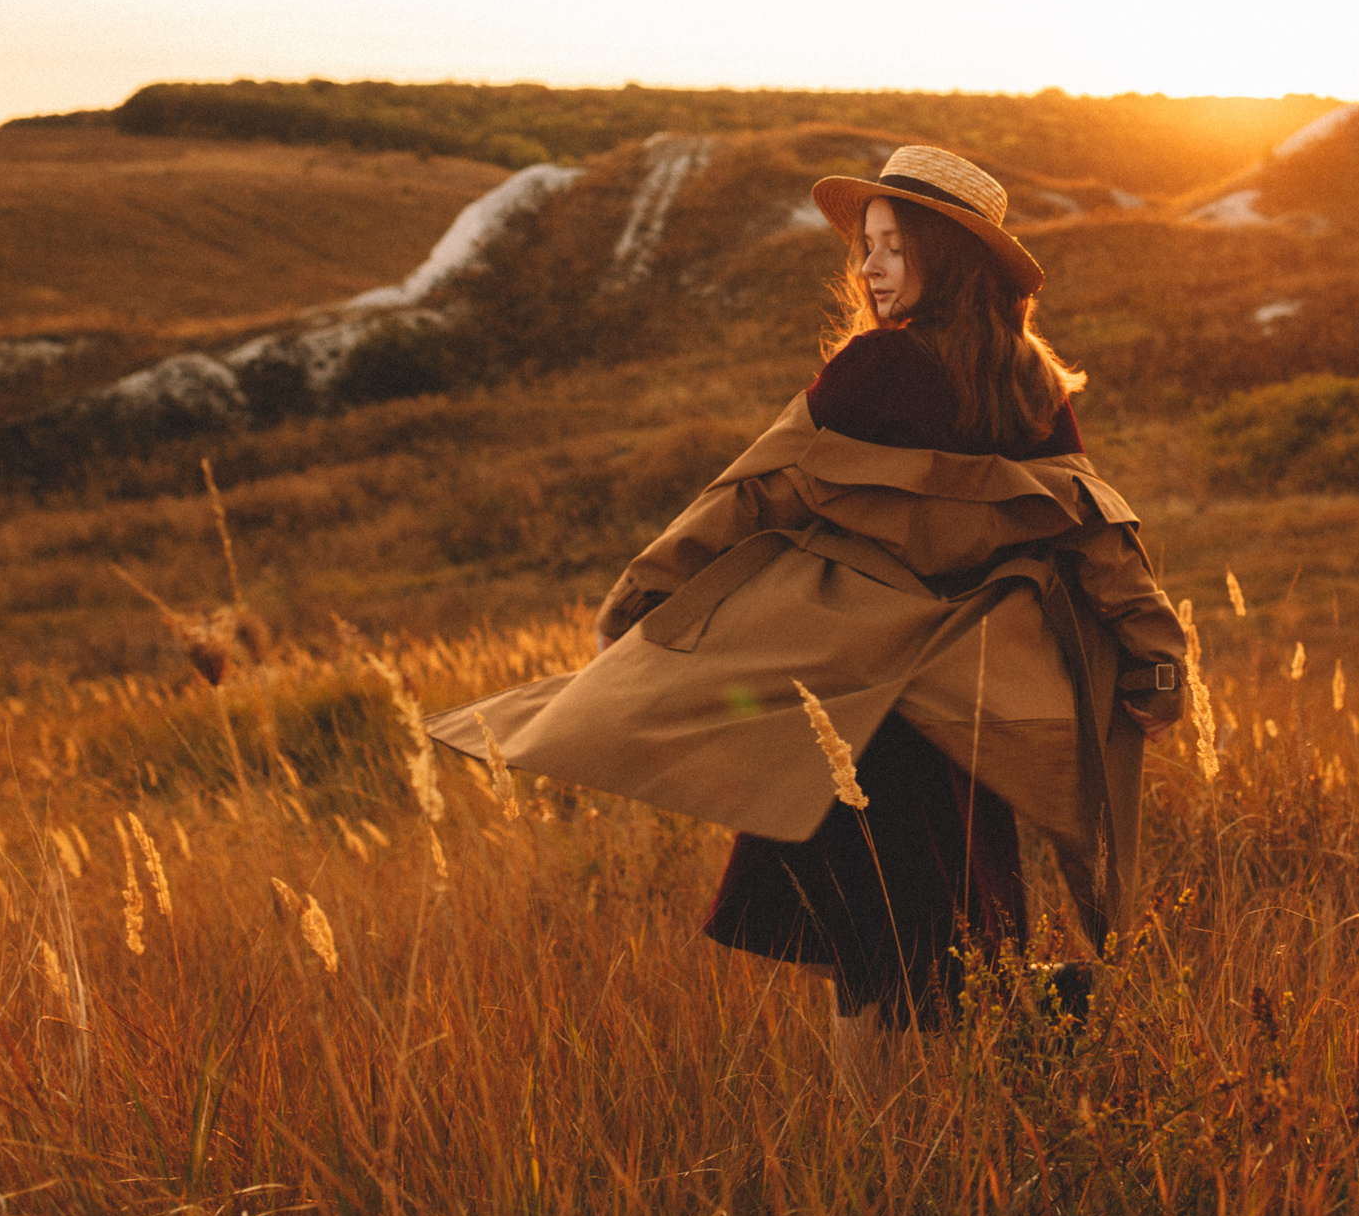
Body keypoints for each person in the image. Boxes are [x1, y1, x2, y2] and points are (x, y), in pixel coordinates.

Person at [427, 144, 1188, 1085]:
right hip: (968, 709)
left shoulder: (872, 369)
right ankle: (974, 1097)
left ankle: (880, 1148)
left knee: (873, 953)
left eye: (889, 249)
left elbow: (757, 492)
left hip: (857, 704)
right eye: (865, 247)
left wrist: (645, 596)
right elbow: (1098, 531)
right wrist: (1157, 660)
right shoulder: (1029, 380)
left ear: (945, 256)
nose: (866, 269)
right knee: (948, 937)